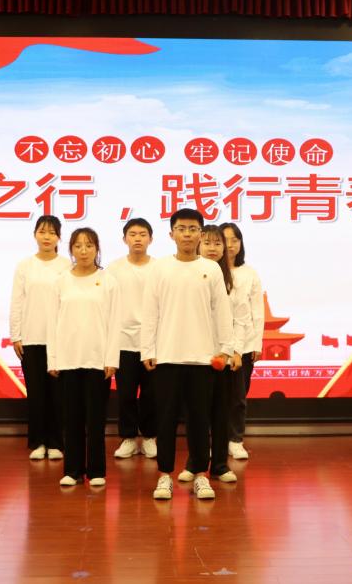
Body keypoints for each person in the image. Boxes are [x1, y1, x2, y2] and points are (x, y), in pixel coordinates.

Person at [141, 208, 234, 501]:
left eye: (193, 229)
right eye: (181, 229)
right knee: (165, 420)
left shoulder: (211, 269)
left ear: (201, 234)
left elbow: (222, 311)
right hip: (167, 357)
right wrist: (148, 349)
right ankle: (164, 476)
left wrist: (225, 348)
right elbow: (150, 311)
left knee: (200, 421)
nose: (187, 234)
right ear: (171, 234)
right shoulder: (159, 268)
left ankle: (201, 476)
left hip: (203, 358)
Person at [46, 228, 120, 487]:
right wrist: (53, 359)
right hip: (68, 359)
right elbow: (52, 322)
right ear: (71, 250)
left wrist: (111, 359)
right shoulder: (61, 281)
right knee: (72, 418)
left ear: (97, 248)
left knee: (96, 419)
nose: (84, 251)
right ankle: (73, 470)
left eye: (89, 245)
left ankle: (97, 471)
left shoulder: (108, 281)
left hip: (98, 360)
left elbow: (115, 323)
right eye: (78, 246)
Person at [177, 225, 244, 486]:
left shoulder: (236, 279)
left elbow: (241, 319)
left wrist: (235, 350)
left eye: (218, 243)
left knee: (220, 413)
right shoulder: (188, 275)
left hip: (224, 357)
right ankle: (194, 464)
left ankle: (219, 465)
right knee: (195, 414)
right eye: (207, 243)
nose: (213, 248)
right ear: (198, 244)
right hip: (197, 355)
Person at [10, 215, 69, 461]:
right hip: (31, 337)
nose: (47, 237)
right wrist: (16, 335)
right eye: (42, 232)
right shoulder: (25, 266)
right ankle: (38, 442)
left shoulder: (66, 266)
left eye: (52, 233)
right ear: (35, 234)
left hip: (59, 339)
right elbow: (17, 301)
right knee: (36, 393)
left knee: (58, 394)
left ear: (59, 237)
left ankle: (56, 442)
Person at [107, 218, 158, 460]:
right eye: (133, 234)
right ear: (124, 238)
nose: (138, 238)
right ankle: (128, 438)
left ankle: (149, 437)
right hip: (123, 341)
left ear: (151, 239)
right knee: (126, 394)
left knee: (151, 394)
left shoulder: (159, 268)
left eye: (143, 234)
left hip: (152, 342)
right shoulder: (113, 269)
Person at [220, 222, 264, 462]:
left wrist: (256, 344)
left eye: (234, 240)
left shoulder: (249, 273)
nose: (230, 245)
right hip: (216, 347)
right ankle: (215, 440)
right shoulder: (210, 270)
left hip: (244, 346)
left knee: (238, 397)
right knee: (214, 398)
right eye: (225, 240)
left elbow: (256, 311)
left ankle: (235, 440)